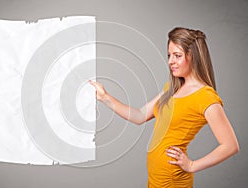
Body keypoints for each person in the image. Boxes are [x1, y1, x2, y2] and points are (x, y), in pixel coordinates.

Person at [89, 27, 239, 187]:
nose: (170, 61)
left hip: (173, 179)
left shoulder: (205, 96)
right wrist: (105, 97)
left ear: (193, 56)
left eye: (177, 56)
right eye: (169, 55)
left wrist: (192, 165)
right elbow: (139, 115)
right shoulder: (172, 89)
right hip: (156, 177)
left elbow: (230, 146)